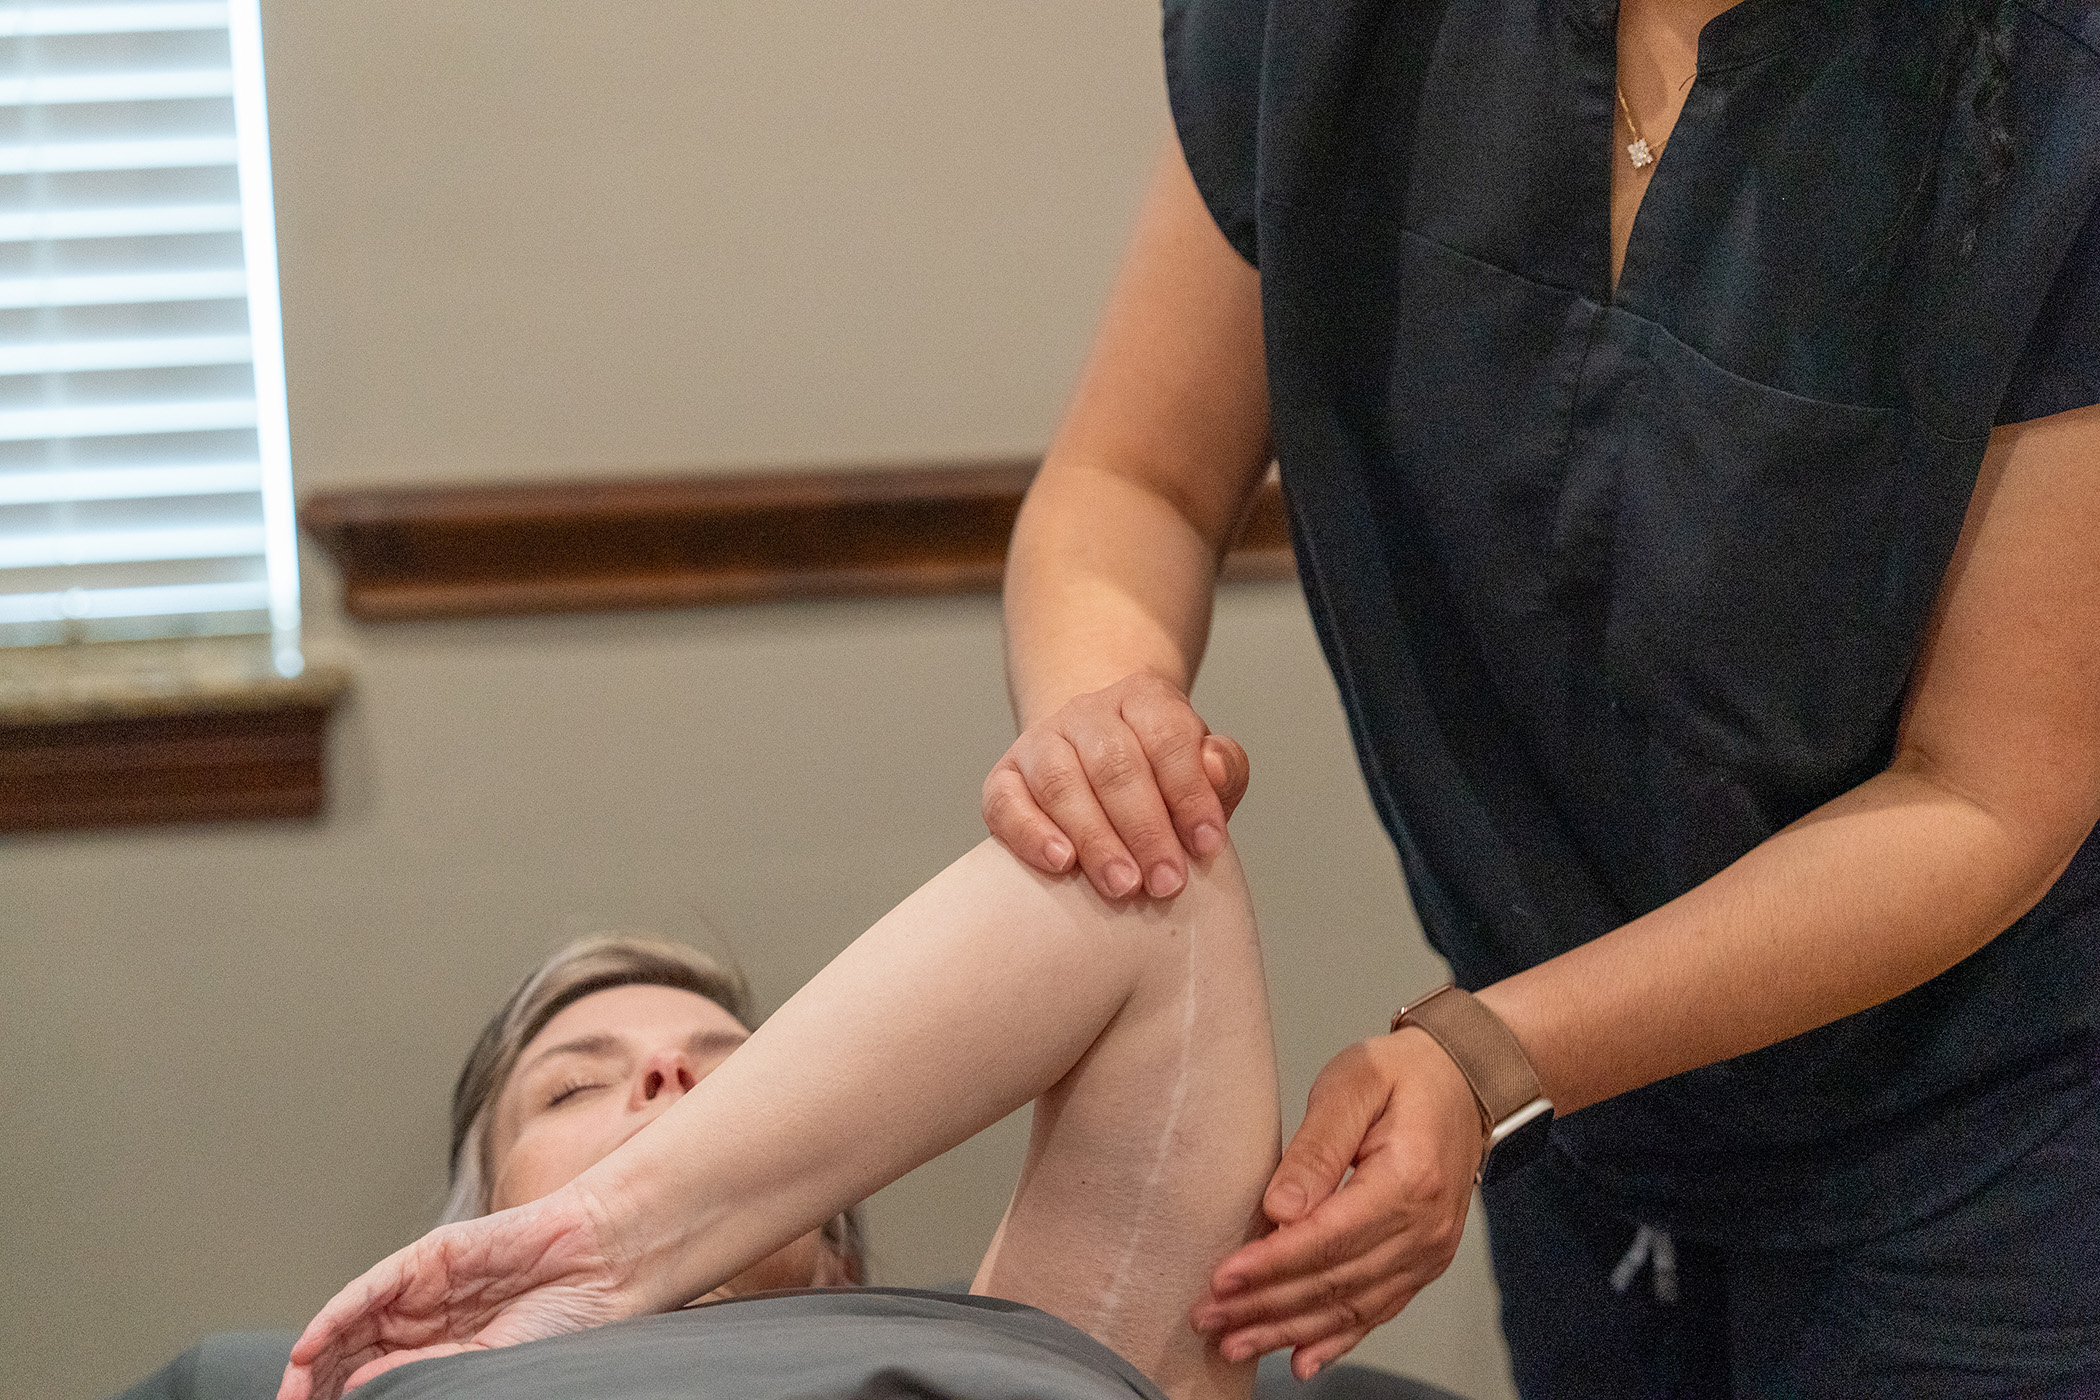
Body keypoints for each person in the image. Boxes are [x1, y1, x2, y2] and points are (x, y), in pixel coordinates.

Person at [979, 0, 2100, 1395]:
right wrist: (1108, 709)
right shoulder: (1330, 35)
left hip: (1995, 1139)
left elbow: (1990, 793)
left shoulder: (2058, 94)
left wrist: (1497, 1053)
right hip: (1566, 1125)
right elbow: (1130, 482)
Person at [272, 833, 1293, 1400]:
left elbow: (1163, 897)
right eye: (573, 1086)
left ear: (836, 1255)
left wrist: (621, 1231)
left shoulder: (1029, 1343)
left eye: (737, 1080)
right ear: (465, 1234)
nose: (668, 1071)